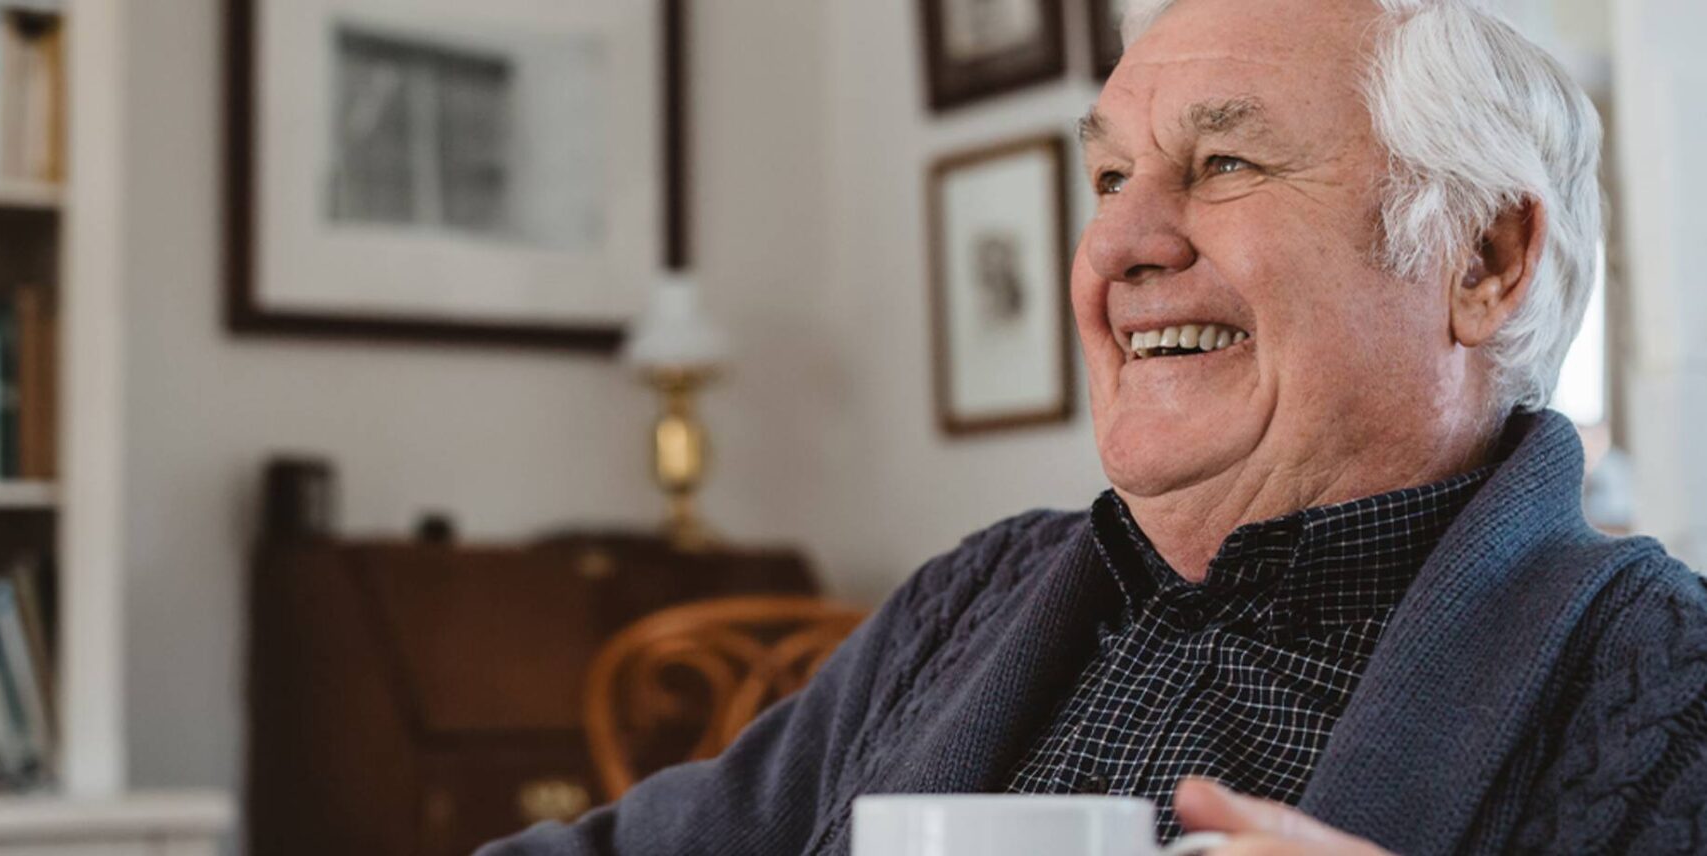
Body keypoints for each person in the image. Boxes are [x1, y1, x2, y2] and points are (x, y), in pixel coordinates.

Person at [482, 0, 1707, 852]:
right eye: (1111, 178)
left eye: (1224, 162)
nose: (1116, 244)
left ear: (1483, 258)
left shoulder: (1671, 690)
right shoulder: (974, 595)